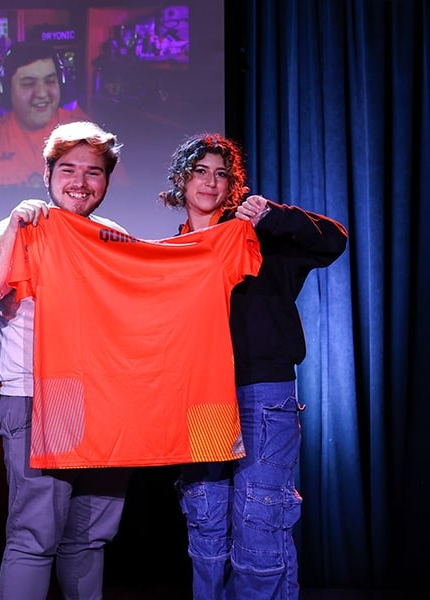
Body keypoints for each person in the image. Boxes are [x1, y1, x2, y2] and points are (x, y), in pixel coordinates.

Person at [161, 134, 347, 599]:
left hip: (262, 393)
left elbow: (333, 240)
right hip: (200, 397)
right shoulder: (167, 252)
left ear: (233, 186)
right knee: (205, 521)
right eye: (201, 171)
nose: (211, 181)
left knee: (260, 524)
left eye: (222, 173)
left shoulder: (259, 235)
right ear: (182, 180)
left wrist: (273, 214)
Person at [0, 121, 130, 599]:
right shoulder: (25, 228)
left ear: (107, 181)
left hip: (105, 405)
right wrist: (13, 227)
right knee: (35, 538)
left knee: (91, 538)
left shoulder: (115, 237)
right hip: (36, 400)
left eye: (93, 172)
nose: (80, 181)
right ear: (48, 174)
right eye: (68, 169)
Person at [0, 41, 94, 189]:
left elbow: (118, 201)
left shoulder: (89, 137)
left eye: (50, 81)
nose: (42, 94)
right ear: (7, 90)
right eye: (29, 84)